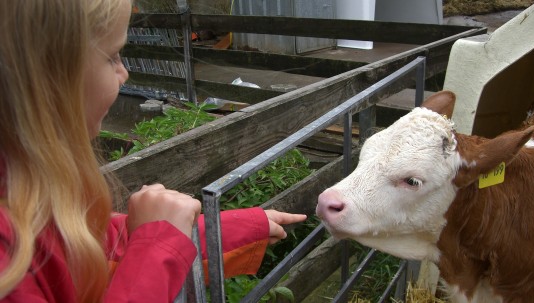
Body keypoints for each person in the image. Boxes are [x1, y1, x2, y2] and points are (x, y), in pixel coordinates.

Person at [0, 0, 307, 302]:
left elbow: (105, 243)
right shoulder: (6, 261)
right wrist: (157, 242)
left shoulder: (30, 193)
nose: (125, 74)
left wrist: (239, 228)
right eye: (113, 56)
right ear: (49, 77)